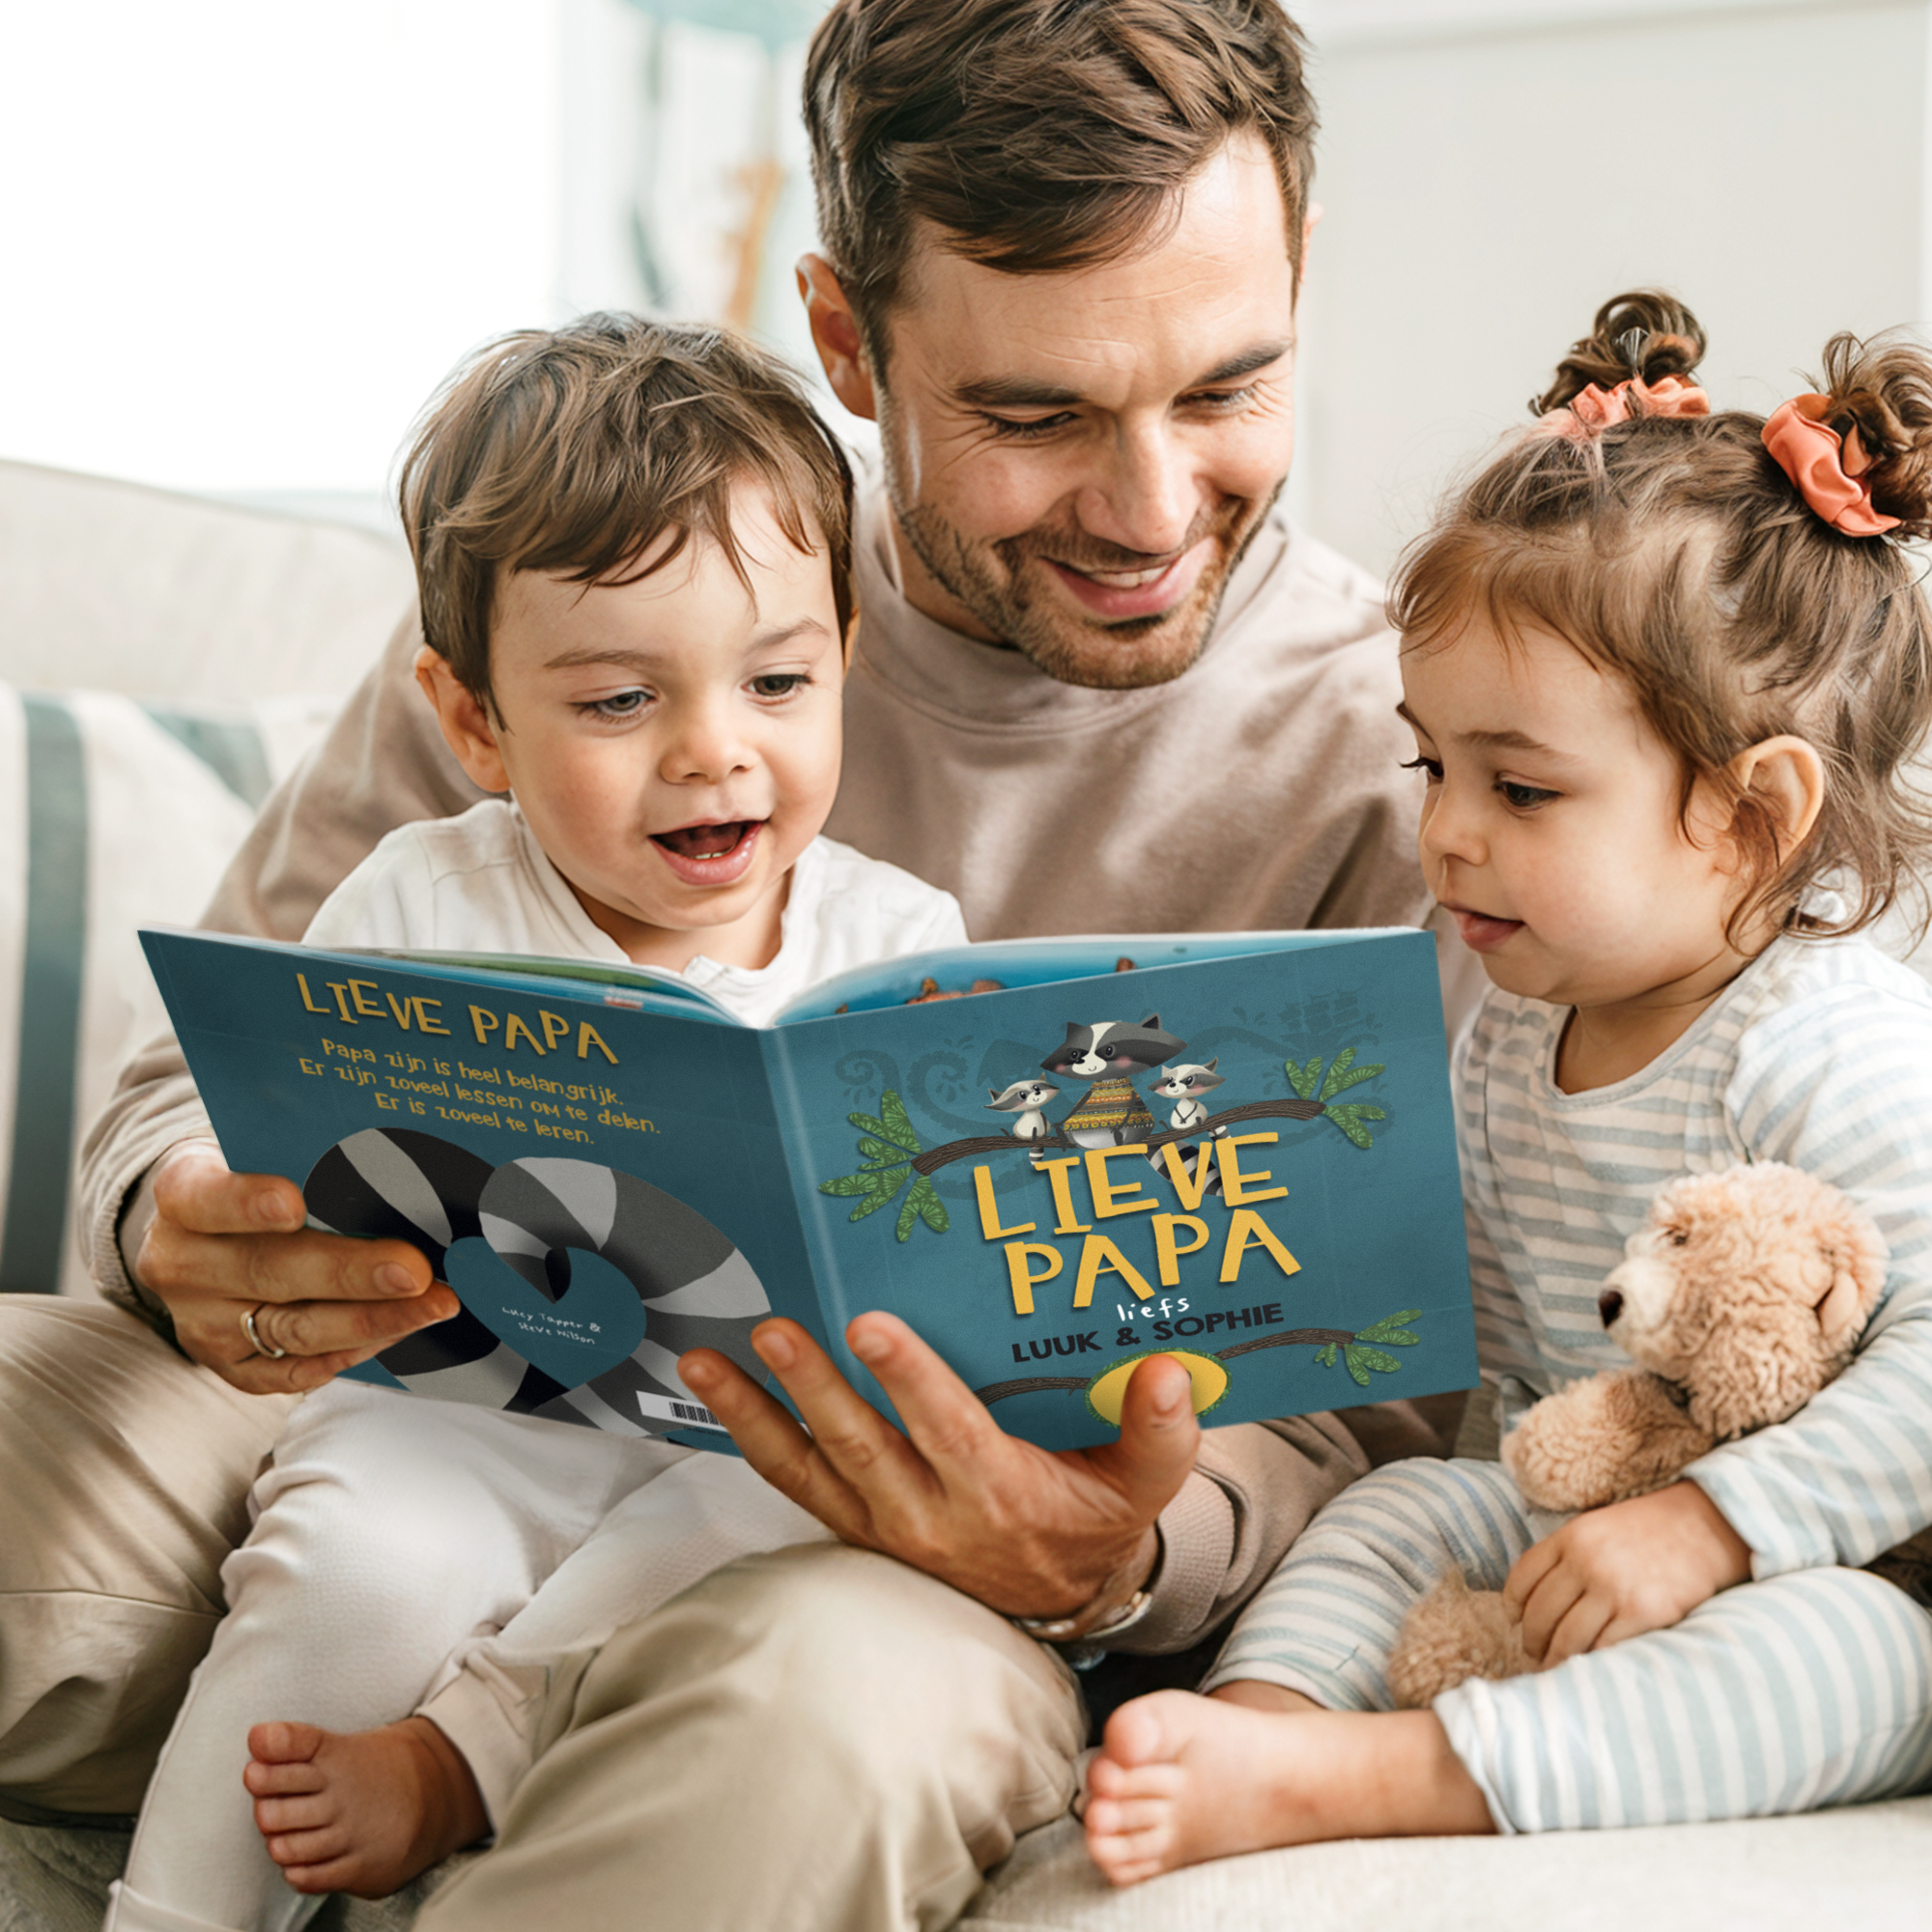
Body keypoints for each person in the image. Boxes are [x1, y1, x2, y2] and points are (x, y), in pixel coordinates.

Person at [5, 4, 1460, 1926]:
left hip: (885, 1558)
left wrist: (1120, 1546)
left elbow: (1384, 1398)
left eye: (1225, 389)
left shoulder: (1407, 749)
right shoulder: (592, 575)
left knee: (817, 1720)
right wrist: (184, 1214)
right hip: (406, 1409)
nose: (1146, 507)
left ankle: (464, 1773)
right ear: (851, 339)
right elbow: (195, 1081)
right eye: (1033, 416)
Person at [102, 316, 977, 1932]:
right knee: (354, 1567)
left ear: (845, 655)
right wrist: (243, 1204)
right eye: (622, 698)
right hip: (464, 1407)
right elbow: (283, 1139)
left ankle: (467, 1752)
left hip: (746, 1446)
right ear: (477, 720)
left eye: (778, 679)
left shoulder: (905, 945)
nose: (716, 746)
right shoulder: (418, 898)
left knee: (781, 1522)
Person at [1082, 294, 1932, 1882]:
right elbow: (1509, 1391)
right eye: (1434, 767)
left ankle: (1379, 1776)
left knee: (1848, 1656)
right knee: (1404, 1515)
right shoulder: (1505, 1038)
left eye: (1520, 786)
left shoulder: (1824, 1043)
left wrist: (1719, 1529)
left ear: (1754, 818)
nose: (1449, 833)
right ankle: (1261, 1717)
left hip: (1852, 1561)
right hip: (1597, 1509)